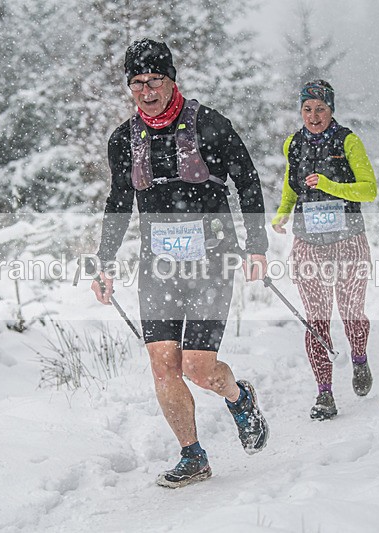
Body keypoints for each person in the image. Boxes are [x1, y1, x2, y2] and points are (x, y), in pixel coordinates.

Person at [90, 38, 270, 488]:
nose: (146, 91)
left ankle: (238, 396)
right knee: (162, 362)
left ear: (172, 79)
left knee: (198, 366)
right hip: (158, 264)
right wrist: (104, 261)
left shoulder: (210, 125)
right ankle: (193, 455)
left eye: (154, 80)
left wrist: (257, 244)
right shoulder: (124, 140)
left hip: (210, 259)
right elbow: (118, 202)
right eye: (137, 83)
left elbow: (247, 182)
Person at [271, 79, 378, 420]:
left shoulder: (348, 141)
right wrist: (282, 214)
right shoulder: (293, 144)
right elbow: (292, 188)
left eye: (320, 109)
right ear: (300, 111)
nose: (313, 116)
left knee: (351, 313)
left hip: (348, 240)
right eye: (307, 109)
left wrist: (330, 185)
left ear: (332, 110)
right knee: (316, 320)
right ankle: (325, 394)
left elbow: (369, 191)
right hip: (308, 243)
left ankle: (359, 358)